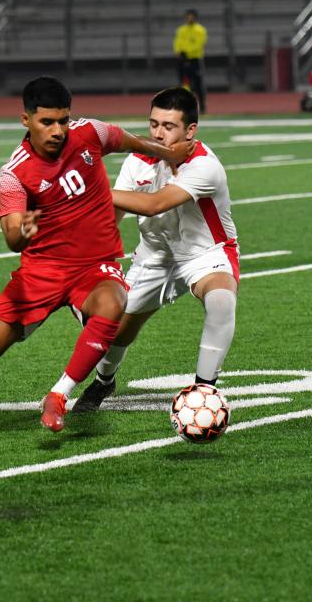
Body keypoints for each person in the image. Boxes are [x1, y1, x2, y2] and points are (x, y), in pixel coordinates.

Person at [0, 76, 194, 435]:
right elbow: (11, 234)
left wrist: (168, 152)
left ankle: (59, 395)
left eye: (63, 120)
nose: (58, 130)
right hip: (41, 272)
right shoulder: (14, 173)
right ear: (26, 120)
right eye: (47, 122)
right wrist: (19, 234)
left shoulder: (89, 132)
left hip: (92, 268)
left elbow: (126, 140)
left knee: (114, 303)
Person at [72, 87, 238, 413]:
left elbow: (152, 205)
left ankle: (204, 393)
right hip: (153, 256)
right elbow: (113, 215)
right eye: (153, 124)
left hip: (205, 253)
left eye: (169, 126)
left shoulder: (204, 165)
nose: (158, 134)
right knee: (114, 328)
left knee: (220, 300)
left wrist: (90, 188)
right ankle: (105, 381)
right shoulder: (138, 161)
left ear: (190, 130)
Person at [173, 9, 208, 113]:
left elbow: (198, 44)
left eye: (192, 16)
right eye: (188, 16)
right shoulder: (181, 30)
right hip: (183, 60)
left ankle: (202, 105)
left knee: (198, 84)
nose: (190, 18)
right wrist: (179, 52)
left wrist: (186, 52)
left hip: (195, 60)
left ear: (195, 18)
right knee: (184, 84)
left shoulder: (200, 30)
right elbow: (177, 43)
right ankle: (185, 107)